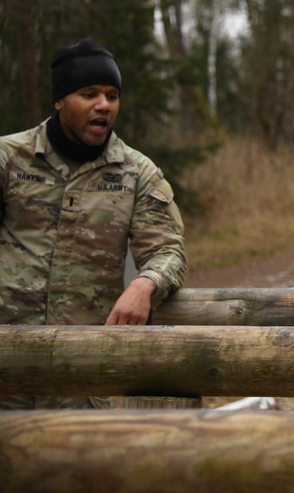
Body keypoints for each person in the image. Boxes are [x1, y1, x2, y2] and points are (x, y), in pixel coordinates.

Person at [0, 38, 187, 410]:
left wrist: (144, 284)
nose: (104, 105)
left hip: (81, 376)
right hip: (6, 370)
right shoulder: (9, 159)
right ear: (59, 100)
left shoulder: (137, 173)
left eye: (112, 95)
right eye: (89, 94)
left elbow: (169, 250)